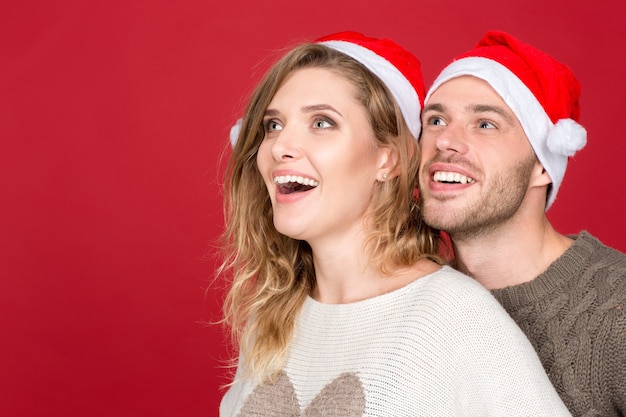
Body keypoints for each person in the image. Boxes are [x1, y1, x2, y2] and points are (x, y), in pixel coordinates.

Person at [218, 31, 570, 416]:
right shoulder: (271, 318)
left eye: (321, 123)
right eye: (273, 125)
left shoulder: (455, 317)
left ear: (387, 160)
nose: (281, 146)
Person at [419, 30, 626, 417]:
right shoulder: (412, 302)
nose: (446, 140)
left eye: (485, 124)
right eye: (435, 119)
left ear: (542, 167)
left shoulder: (617, 311)